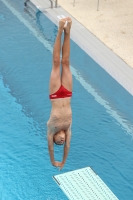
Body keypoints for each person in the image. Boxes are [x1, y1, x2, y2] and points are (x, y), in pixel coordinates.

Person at [47, 17, 72, 170]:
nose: (61, 141)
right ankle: (68, 32)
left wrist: (53, 161)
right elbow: (68, 146)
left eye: (58, 141)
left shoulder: (51, 128)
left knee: (56, 62)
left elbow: (50, 148)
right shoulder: (68, 128)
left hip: (56, 94)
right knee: (66, 62)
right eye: (61, 142)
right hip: (67, 93)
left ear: (55, 137)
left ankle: (59, 31)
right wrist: (63, 162)